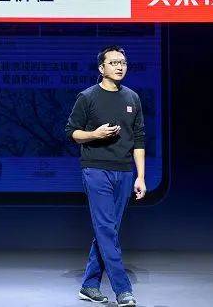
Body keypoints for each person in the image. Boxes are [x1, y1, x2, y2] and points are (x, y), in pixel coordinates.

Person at [65, 45, 146, 306]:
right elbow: (72, 132)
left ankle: (89, 285)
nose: (120, 67)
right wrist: (95, 135)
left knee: (108, 231)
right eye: (113, 63)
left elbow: (139, 139)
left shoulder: (132, 98)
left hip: (124, 171)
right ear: (101, 68)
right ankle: (123, 289)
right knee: (106, 230)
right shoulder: (87, 97)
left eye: (123, 62)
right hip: (96, 169)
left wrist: (141, 177)